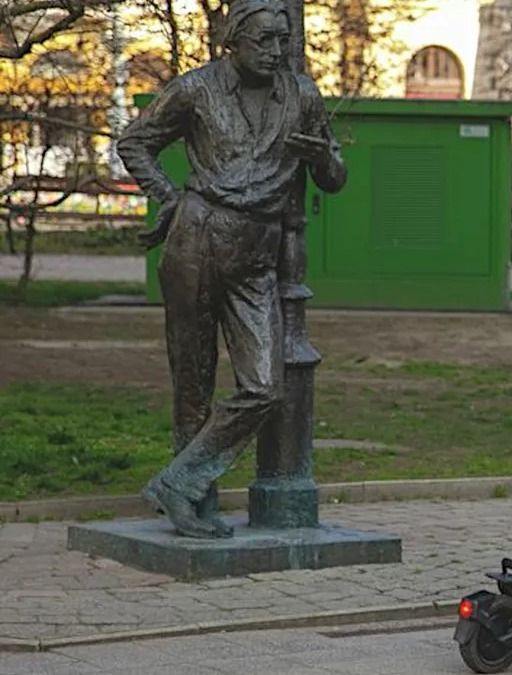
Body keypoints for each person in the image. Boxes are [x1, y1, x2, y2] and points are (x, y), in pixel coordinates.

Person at [116, 0, 347, 538]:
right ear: (233, 42)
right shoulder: (195, 89)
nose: (275, 51)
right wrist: (167, 197)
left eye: (282, 41)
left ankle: (178, 480)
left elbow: (335, 177)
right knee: (193, 385)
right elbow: (135, 142)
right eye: (264, 40)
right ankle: (194, 503)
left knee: (264, 386)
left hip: (257, 253)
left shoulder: (302, 94)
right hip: (197, 239)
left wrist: (321, 159)